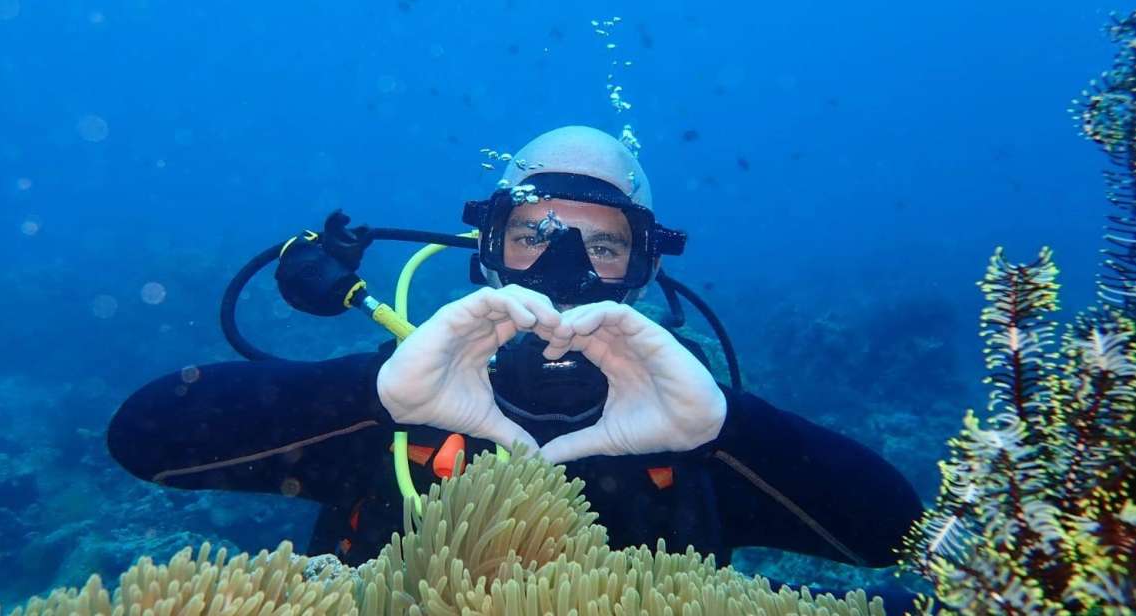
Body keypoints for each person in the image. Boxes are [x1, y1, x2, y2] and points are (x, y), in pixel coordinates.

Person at [107, 126, 922, 605]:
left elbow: (894, 531)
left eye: (602, 244)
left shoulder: (695, 429)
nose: (562, 263)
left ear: (641, 270)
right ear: (485, 252)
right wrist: (371, 395)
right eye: (533, 233)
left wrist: (723, 428)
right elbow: (144, 438)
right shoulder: (398, 400)